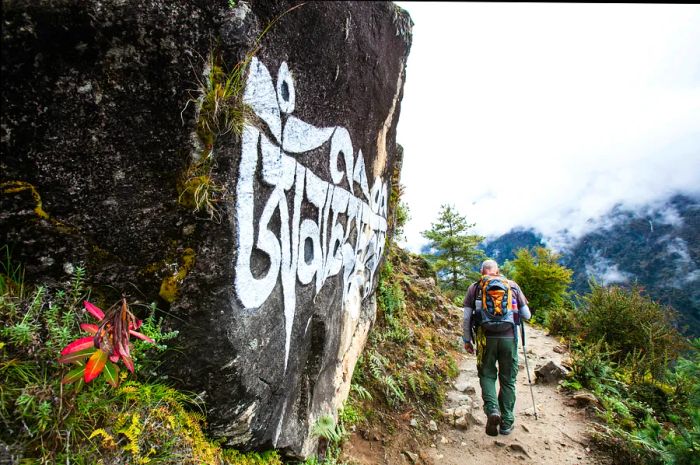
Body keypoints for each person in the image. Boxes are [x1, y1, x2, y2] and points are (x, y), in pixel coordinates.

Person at [462, 259, 531, 436]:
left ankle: (492, 410)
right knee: (508, 379)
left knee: (487, 374)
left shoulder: (475, 288)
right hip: (509, 339)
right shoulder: (512, 285)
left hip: (485, 339)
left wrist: (467, 340)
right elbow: (526, 315)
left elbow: (466, 318)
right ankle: (506, 423)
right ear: (497, 271)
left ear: (482, 271)